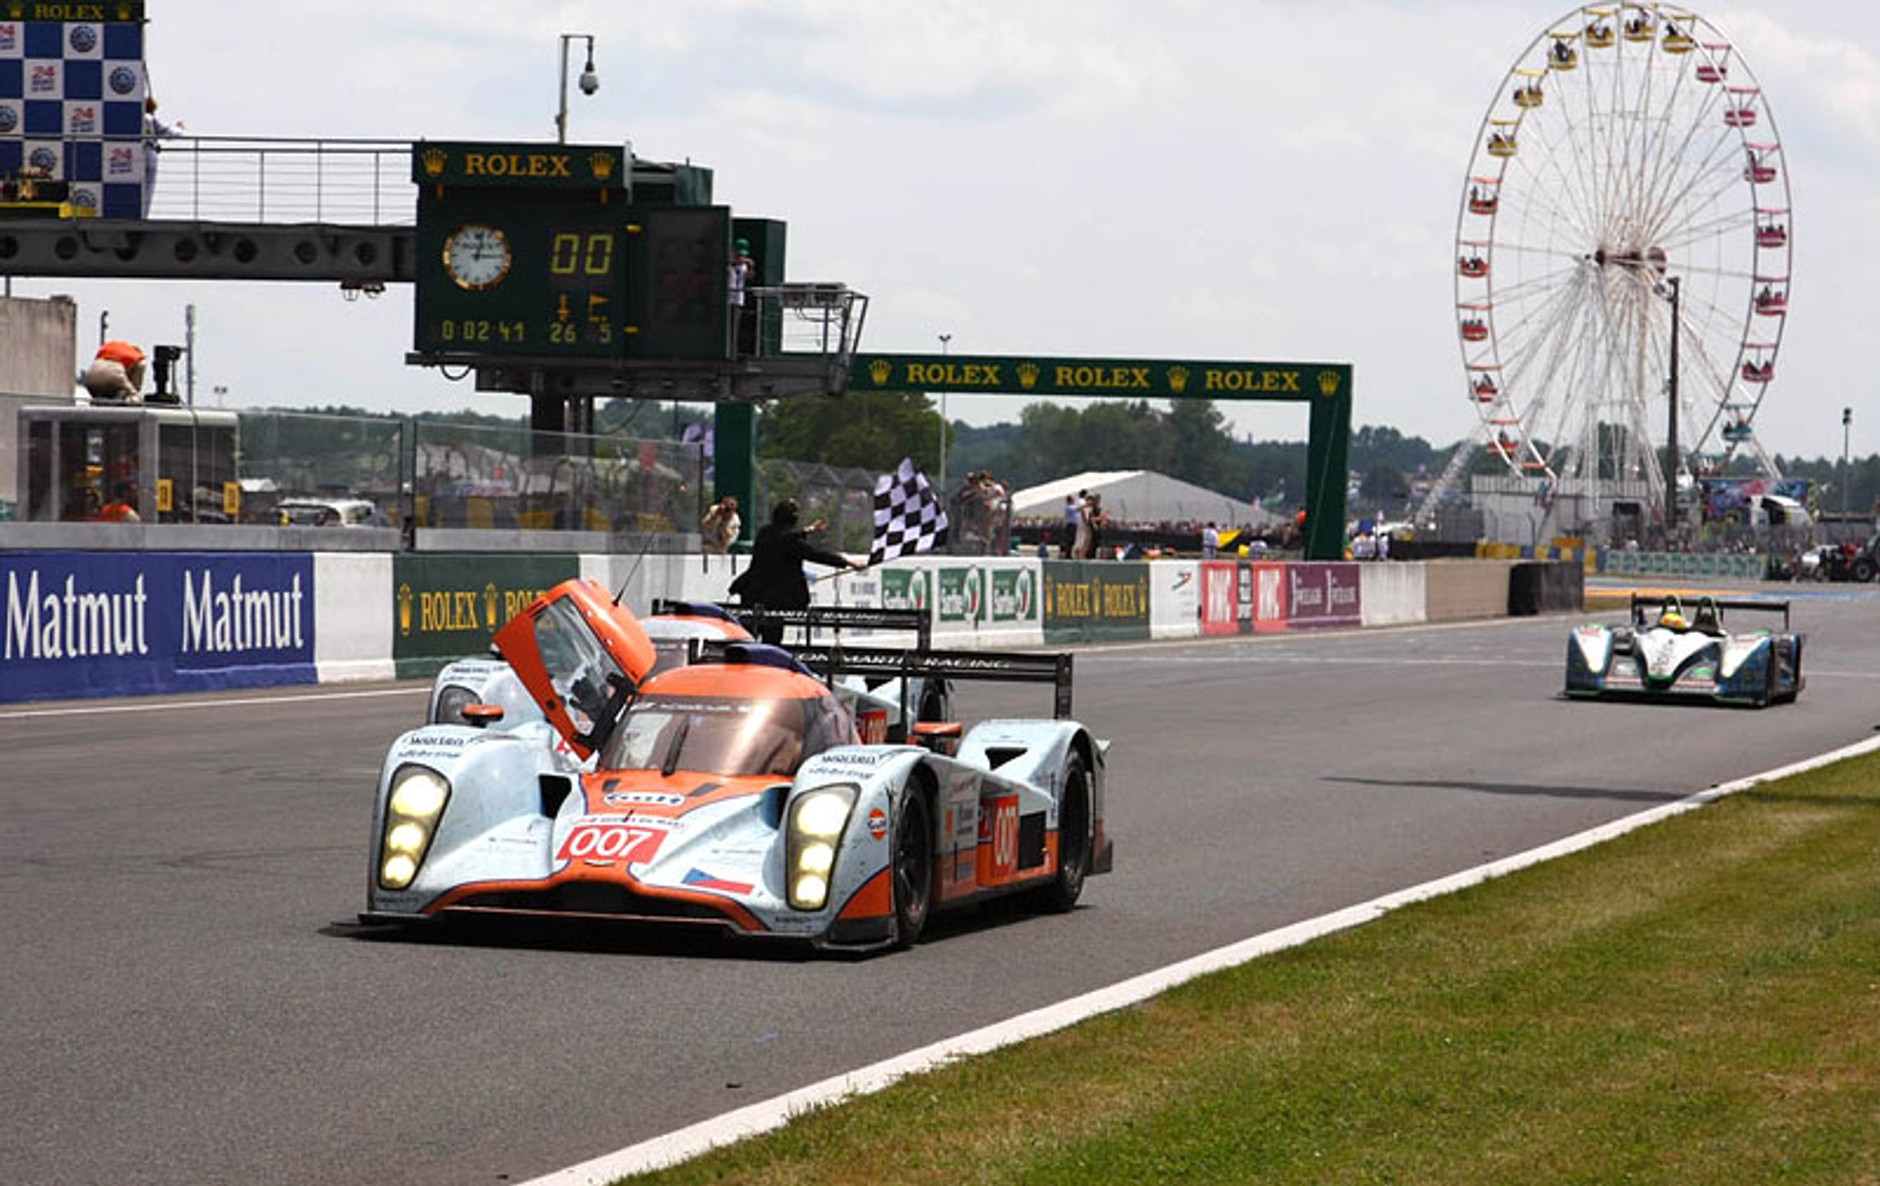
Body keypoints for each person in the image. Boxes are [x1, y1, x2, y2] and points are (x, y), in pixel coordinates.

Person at [728, 499, 865, 644]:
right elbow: (817, 554)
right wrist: (849, 562)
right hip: (777, 601)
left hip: (752, 595)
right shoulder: (792, 543)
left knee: (746, 640)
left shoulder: (764, 534)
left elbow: (786, 535)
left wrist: (809, 529)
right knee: (772, 641)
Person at [142, 96, 184, 218]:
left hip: (134, 155)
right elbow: (171, 134)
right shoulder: (150, 119)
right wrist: (180, 128)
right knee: (148, 188)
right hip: (149, 153)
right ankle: (144, 216)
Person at [82, 340, 147, 402]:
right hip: (113, 373)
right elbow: (141, 366)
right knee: (133, 396)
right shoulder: (138, 357)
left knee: (99, 400)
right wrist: (134, 391)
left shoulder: (111, 346)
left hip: (91, 376)